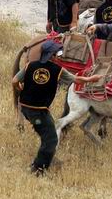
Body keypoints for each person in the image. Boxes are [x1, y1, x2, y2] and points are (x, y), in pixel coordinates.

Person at [12, 40, 102, 176]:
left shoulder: (30, 65)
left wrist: (20, 88)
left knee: (47, 134)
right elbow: (76, 80)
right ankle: (38, 168)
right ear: (51, 55)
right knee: (52, 139)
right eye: (58, 53)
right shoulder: (57, 70)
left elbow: (14, 81)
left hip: (26, 108)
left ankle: (45, 160)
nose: (60, 56)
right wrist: (91, 79)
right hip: (39, 111)